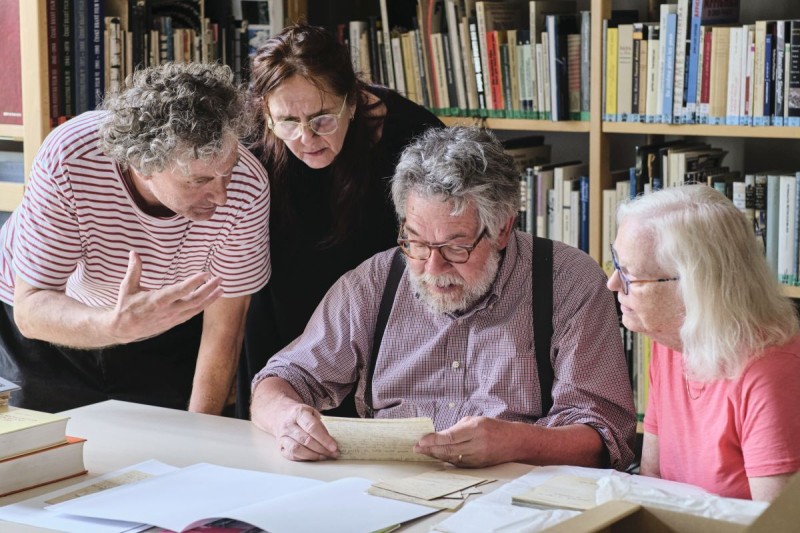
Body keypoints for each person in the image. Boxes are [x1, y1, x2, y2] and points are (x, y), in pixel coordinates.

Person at [250, 127, 636, 469]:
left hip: (515, 496)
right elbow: (281, 378)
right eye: (416, 243)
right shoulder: (374, 283)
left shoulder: (568, 284)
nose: (432, 268)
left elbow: (606, 437)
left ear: (502, 229)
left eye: (456, 248)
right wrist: (287, 416)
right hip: (388, 491)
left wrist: (515, 443)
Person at [0, 62, 270, 415]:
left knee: (166, 453)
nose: (222, 196)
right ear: (143, 165)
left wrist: (199, 437)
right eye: (199, 181)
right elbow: (31, 309)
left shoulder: (248, 187)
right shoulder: (71, 159)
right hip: (47, 330)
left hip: (159, 324)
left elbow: (224, 329)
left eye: (228, 170)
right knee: (48, 455)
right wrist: (114, 325)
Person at [238, 24, 443, 418]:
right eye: (287, 122)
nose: (305, 138)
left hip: (386, 328)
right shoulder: (251, 146)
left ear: (352, 102)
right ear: (266, 111)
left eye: (322, 119)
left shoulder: (412, 137)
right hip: (279, 324)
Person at [608, 184, 800, 501]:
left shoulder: (771, 376)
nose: (612, 283)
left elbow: (777, 525)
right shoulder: (672, 341)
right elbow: (654, 481)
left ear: (692, 288)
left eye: (629, 275)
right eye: (616, 264)